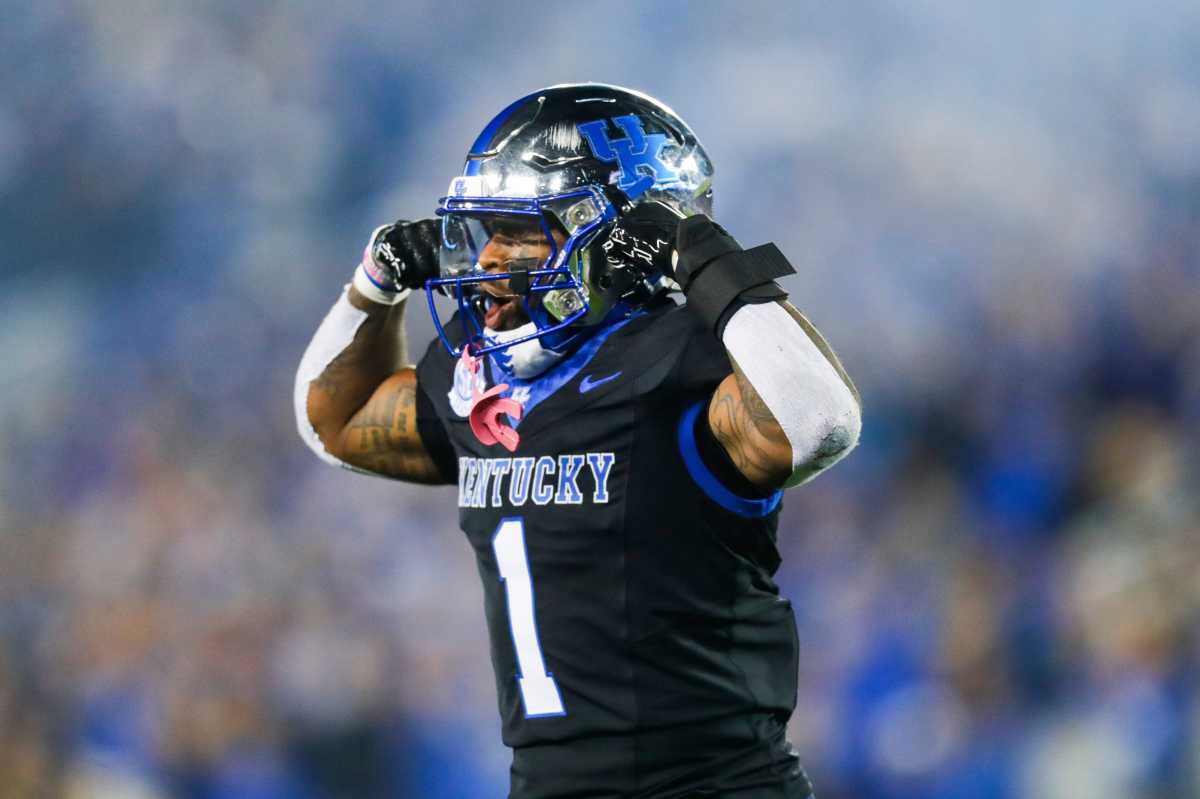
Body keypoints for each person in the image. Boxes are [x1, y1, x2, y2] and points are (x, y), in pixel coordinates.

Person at [294, 83, 861, 799]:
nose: (491, 257)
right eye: (487, 229)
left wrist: (701, 254)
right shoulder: (478, 373)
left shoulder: (683, 355)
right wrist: (376, 282)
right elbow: (332, 423)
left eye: (522, 230)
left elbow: (820, 421)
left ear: (620, 232)